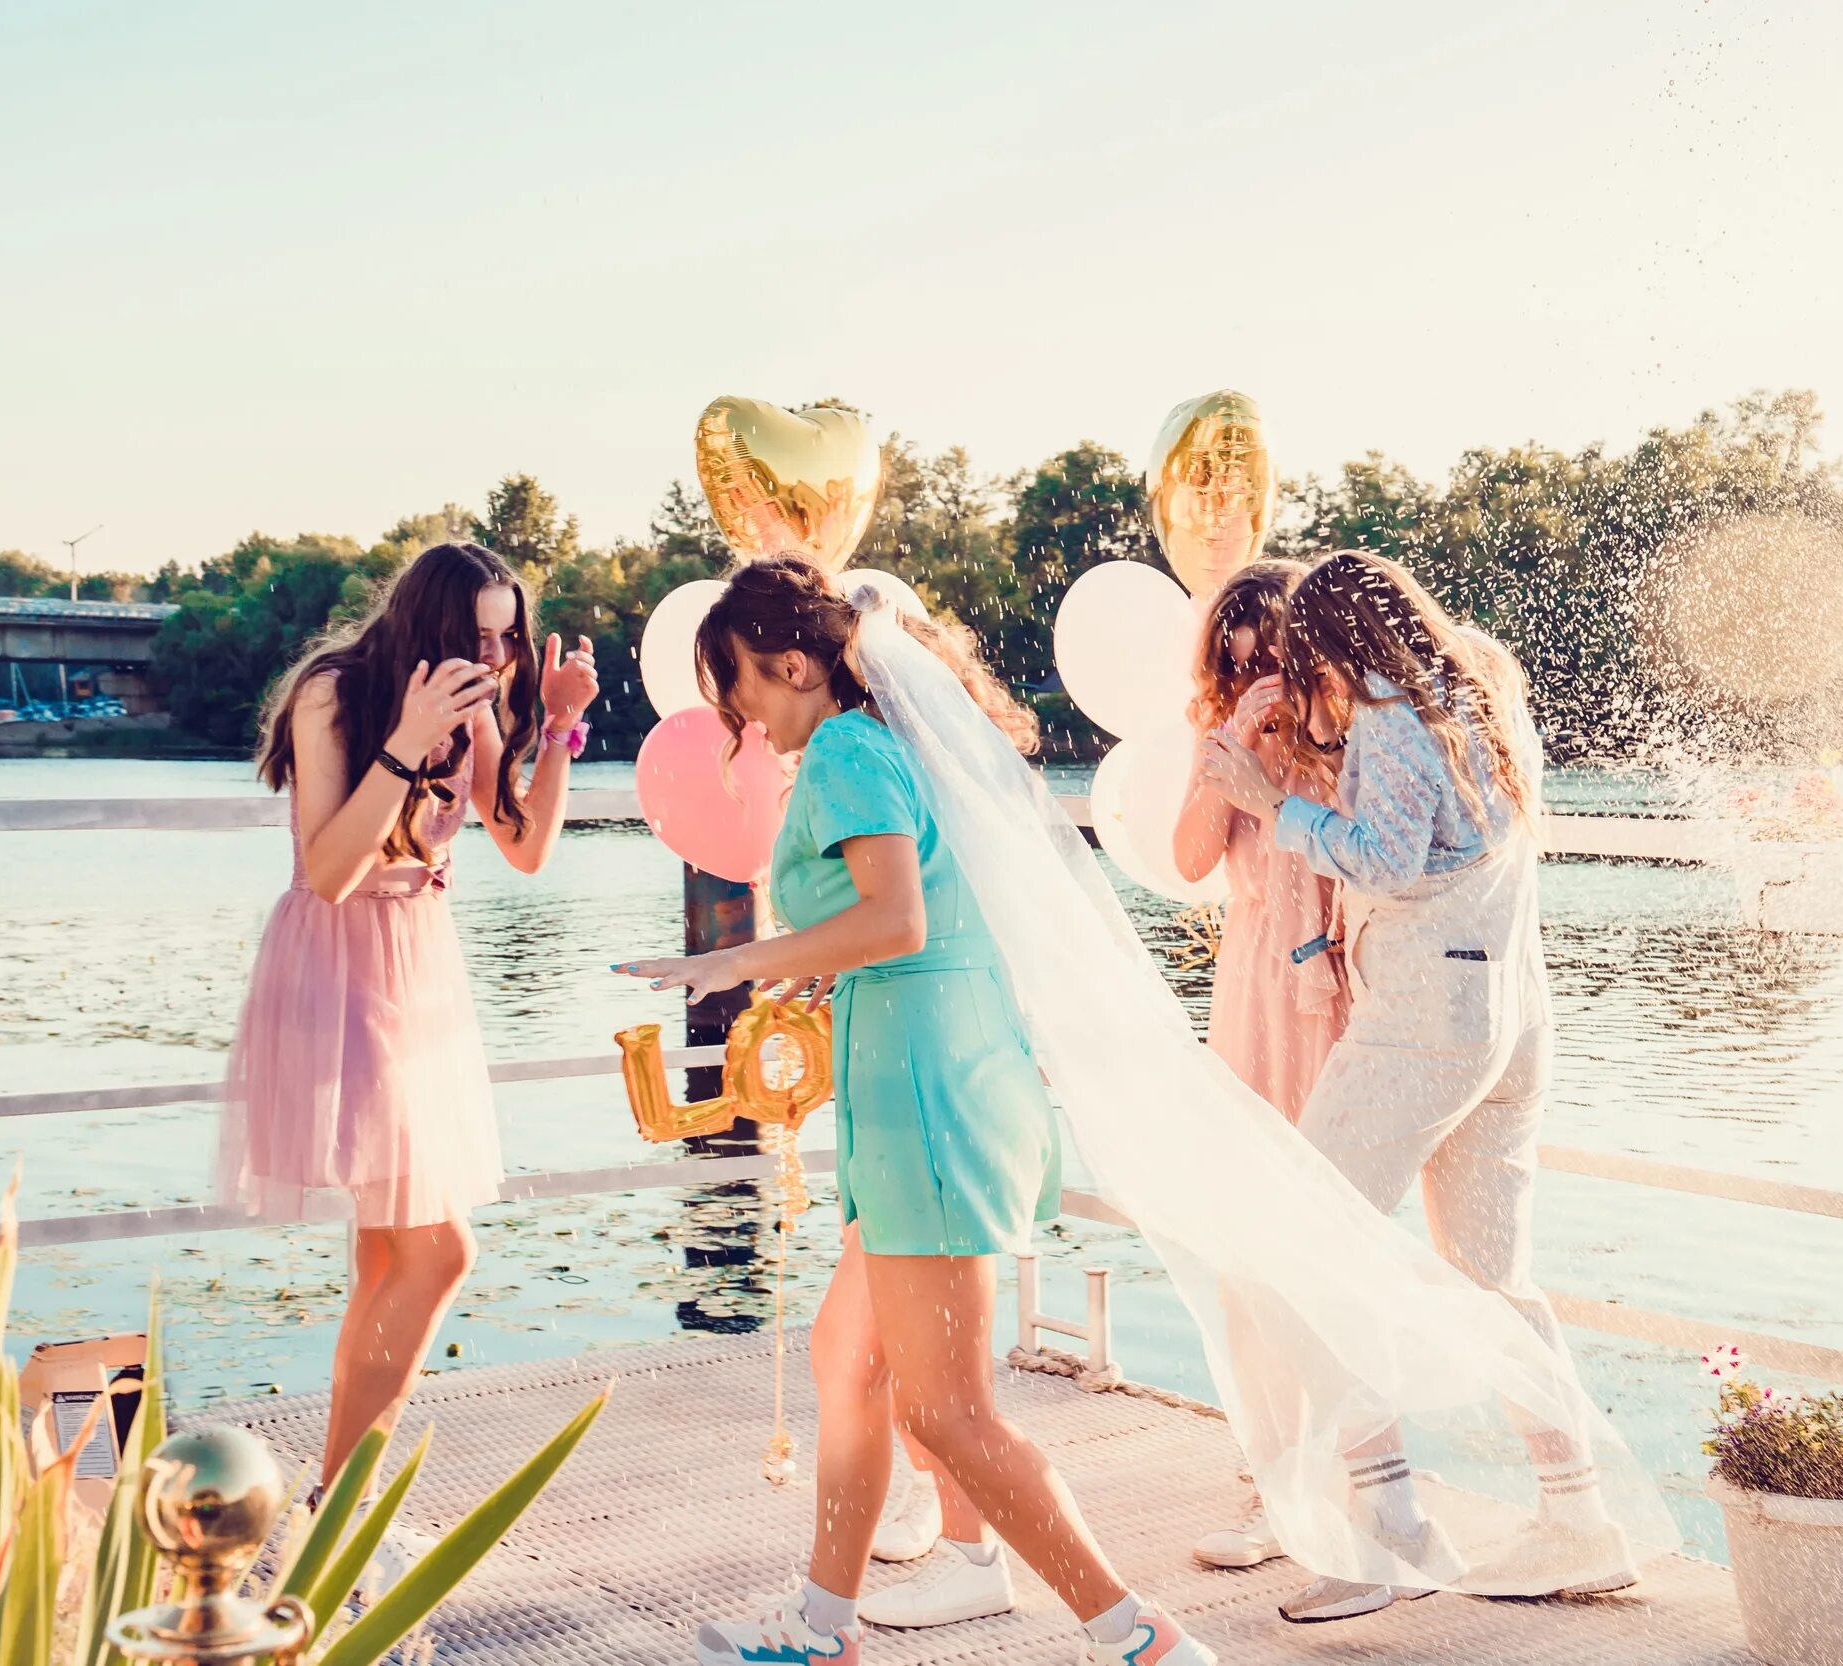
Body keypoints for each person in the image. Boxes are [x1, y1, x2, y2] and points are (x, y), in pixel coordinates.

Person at [618, 556, 1218, 1666]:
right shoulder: (882, 745)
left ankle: (1139, 1636)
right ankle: (819, 1625)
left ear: (791, 660)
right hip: (918, 1082)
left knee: (950, 1414)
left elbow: (893, 920)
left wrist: (749, 958)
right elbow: (913, 921)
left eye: (738, 685)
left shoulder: (846, 748)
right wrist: (814, 965)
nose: (737, 716)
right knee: (848, 1358)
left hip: (927, 1101)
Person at [1197, 548, 1637, 1624]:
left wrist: (1269, 798)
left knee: (1292, 1243)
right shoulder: (1477, 697)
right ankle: (1579, 1513)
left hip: (1423, 1024)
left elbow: (1388, 860)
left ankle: (1389, 1522)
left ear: (1334, 642)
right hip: (1511, 1017)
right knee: (1494, 1274)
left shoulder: (1392, 714)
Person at [219, 541, 599, 1527]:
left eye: (508, 633)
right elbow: (329, 871)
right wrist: (407, 738)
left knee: (390, 1259)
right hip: (338, 963)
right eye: (479, 632)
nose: (498, 650)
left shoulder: (475, 702)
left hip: (416, 966)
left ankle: (335, 1502)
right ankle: (345, 1506)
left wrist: (554, 726)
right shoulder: (334, 692)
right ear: (425, 622)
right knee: (439, 1253)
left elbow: (523, 848)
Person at [1169, 559, 1349, 1573]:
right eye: (1237, 667)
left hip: (1329, 996)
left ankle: (1332, 1479)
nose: (1258, 679)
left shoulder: (1345, 740)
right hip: (1249, 995)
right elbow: (1190, 858)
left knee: (1324, 1236)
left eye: (1272, 660)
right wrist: (1232, 751)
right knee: (1244, 1245)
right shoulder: (1224, 738)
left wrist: (1300, 759)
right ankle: (1267, 1477)